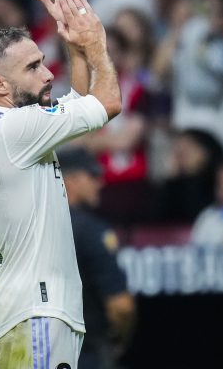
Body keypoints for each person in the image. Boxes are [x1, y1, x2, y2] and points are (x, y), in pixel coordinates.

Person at [0, 0, 122, 368]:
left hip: (30, 309)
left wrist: (74, 45)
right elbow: (107, 103)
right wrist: (96, 42)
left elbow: (81, 102)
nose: (48, 73)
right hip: (37, 309)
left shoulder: (7, 129)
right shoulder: (15, 130)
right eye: (33, 67)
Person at [58, 147, 136, 369]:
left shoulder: (29, 229)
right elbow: (122, 307)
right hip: (87, 353)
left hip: (39, 352)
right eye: (92, 176)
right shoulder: (91, 231)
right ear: (69, 180)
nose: (99, 182)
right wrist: (120, 338)